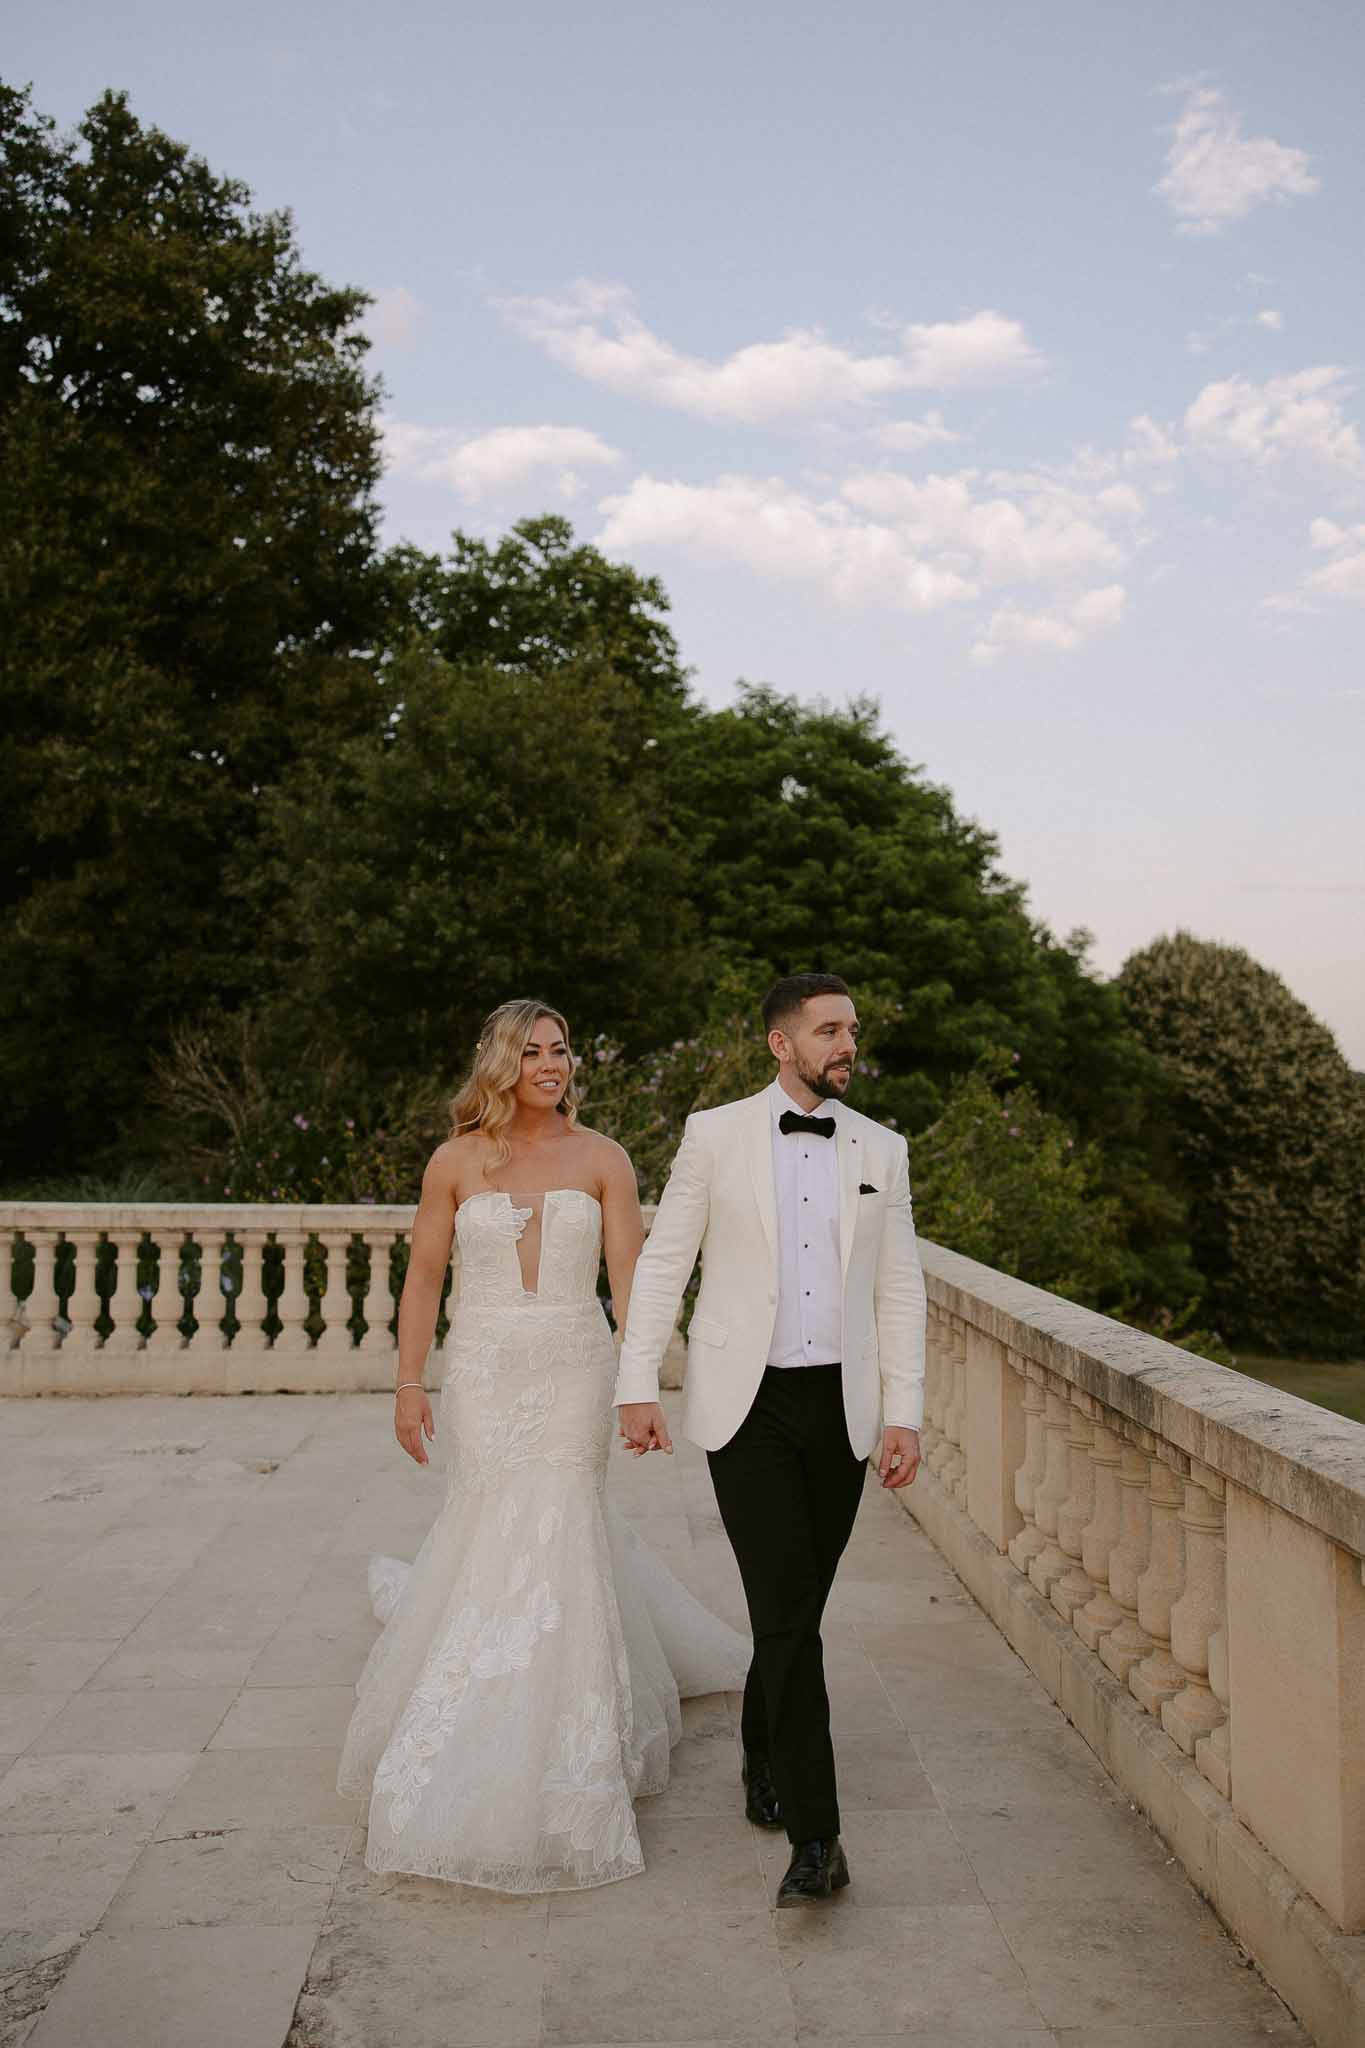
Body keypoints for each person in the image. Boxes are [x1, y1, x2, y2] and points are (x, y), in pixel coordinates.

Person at [336, 998, 749, 1892]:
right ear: (499, 1063)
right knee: (490, 1525)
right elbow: (423, 1279)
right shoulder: (453, 1162)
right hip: (483, 1370)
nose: (550, 1064)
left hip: (573, 1368)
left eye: (560, 1050)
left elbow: (635, 1278)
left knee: (559, 1524)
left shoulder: (604, 1158)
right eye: (531, 1052)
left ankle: (568, 1749)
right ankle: (478, 1713)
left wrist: (641, 1385)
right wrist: (410, 1385)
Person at [613, 973, 926, 1906]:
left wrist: (903, 1409)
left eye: (853, 1031)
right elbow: (665, 1260)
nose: (847, 1045)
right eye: (829, 1030)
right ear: (778, 1043)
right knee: (788, 1613)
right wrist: (638, 1383)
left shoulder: (882, 1147)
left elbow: (899, 1286)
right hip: (743, 1408)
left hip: (842, 1409)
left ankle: (760, 1751)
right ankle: (816, 1837)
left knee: (792, 1612)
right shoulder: (714, 1135)